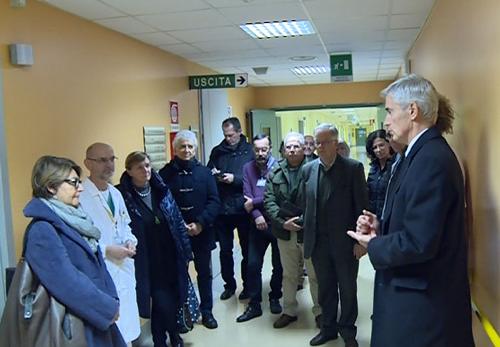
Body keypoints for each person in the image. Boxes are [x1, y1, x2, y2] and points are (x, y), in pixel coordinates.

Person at [348, 74, 474, 347]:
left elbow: (419, 242)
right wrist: (380, 225)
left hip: (424, 311)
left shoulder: (431, 160)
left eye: (390, 111)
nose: (386, 121)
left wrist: (374, 243)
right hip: (414, 299)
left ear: (412, 111)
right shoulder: (414, 156)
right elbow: (417, 221)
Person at [23, 155, 126, 346]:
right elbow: (67, 282)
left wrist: (112, 301)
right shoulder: (42, 230)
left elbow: (98, 266)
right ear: (51, 187)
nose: (81, 187)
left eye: (79, 181)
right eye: (73, 182)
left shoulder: (74, 220)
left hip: (95, 319)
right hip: (75, 326)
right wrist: (107, 308)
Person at [300, 124, 368, 347]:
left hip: (345, 243)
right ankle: (328, 329)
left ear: (336, 144)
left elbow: (362, 208)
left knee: (348, 289)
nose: (319, 147)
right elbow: (305, 204)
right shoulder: (308, 170)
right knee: (325, 289)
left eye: (324, 142)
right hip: (319, 243)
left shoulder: (353, 168)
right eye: (317, 142)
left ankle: (348, 330)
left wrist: (360, 240)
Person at [117, 151, 193, 347]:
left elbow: (176, 220)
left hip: (170, 255)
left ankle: (163, 338)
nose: (146, 170)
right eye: (140, 167)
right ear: (129, 171)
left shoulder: (161, 189)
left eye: (148, 166)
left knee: (173, 298)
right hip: (146, 260)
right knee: (160, 301)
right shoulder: (123, 196)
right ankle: (172, 335)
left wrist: (186, 251)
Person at [79, 143, 140, 345]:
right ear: (88, 163)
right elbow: (79, 239)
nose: (109, 165)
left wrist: (131, 241)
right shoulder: (80, 197)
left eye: (112, 159)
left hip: (124, 267)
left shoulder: (115, 193)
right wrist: (106, 250)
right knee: (111, 331)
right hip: (102, 269)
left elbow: (125, 226)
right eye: (102, 160)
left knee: (128, 326)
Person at [159, 130, 220, 329]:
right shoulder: (164, 174)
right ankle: (182, 313)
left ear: (195, 149)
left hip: (201, 232)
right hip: (175, 234)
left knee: (204, 273)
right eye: (182, 146)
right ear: (175, 149)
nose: (186, 150)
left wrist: (200, 223)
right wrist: (178, 226)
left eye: (190, 146)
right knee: (178, 274)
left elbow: (214, 201)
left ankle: (207, 311)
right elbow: (160, 203)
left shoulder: (204, 173)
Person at [264, 132, 321, 330]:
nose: (292, 150)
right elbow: (268, 200)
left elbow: (320, 199)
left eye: (296, 146)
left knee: (314, 274)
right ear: (283, 149)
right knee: (289, 275)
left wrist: (305, 220)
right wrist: (282, 222)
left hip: (309, 231)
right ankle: (288, 311)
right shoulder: (275, 172)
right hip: (285, 232)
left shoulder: (316, 168)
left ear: (303, 148)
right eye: (288, 147)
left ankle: (320, 312)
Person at [236, 134, 283, 323]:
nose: (261, 153)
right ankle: (254, 304)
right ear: (253, 150)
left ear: (270, 148)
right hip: (257, 224)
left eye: (264, 149)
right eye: (257, 150)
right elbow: (246, 196)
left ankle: (275, 297)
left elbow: (278, 197)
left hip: (277, 224)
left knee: (278, 265)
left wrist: (255, 203)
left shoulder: (279, 167)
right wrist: (257, 215)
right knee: (253, 264)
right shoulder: (248, 168)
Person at [208, 117, 254, 300]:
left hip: (243, 208)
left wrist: (234, 179)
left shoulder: (250, 151)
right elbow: (209, 172)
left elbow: (255, 179)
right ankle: (229, 285)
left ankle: (247, 285)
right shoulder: (217, 152)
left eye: (231, 135)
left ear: (239, 131)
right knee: (225, 251)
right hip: (223, 209)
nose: (228, 139)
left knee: (247, 250)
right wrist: (216, 176)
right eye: (225, 135)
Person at [365, 129, 393, 218]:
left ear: (389, 144)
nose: (378, 150)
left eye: (381, 145)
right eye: (374, 147)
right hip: (373, 215)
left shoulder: (396, 165)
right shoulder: (373, 168)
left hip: (389, 216)